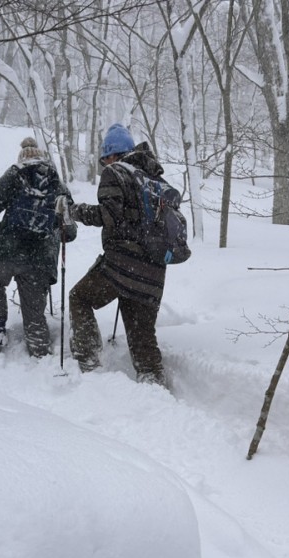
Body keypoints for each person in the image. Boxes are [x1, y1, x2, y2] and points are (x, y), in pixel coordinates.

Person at [0, 137, 75, 357]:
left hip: (7, 249)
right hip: (39, 259)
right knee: (34, 313)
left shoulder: (15, 175)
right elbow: (70, 231)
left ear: (22, 159)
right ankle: (39, 350)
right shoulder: (58, 186)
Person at [67, 123, 168, 387]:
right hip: (154, 271)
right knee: (142, 335)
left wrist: (75, 211)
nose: (105, 164)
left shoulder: (116, 173)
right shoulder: (154, 177)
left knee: (79, 297)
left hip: (123, 265)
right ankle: (153, 384)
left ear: (112, 154)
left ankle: (89, 365)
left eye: (105, 159)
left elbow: (108, 216)